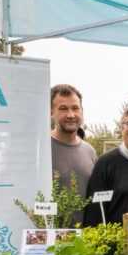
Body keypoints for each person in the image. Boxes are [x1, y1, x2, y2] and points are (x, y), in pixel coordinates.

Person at [50, 84, 97, 224]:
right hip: (51, 240)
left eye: (75, 108)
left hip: (85, 239)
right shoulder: (41, 150)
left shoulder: (90, 151)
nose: (71, 115)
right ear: (51, 112)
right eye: (63, 109)